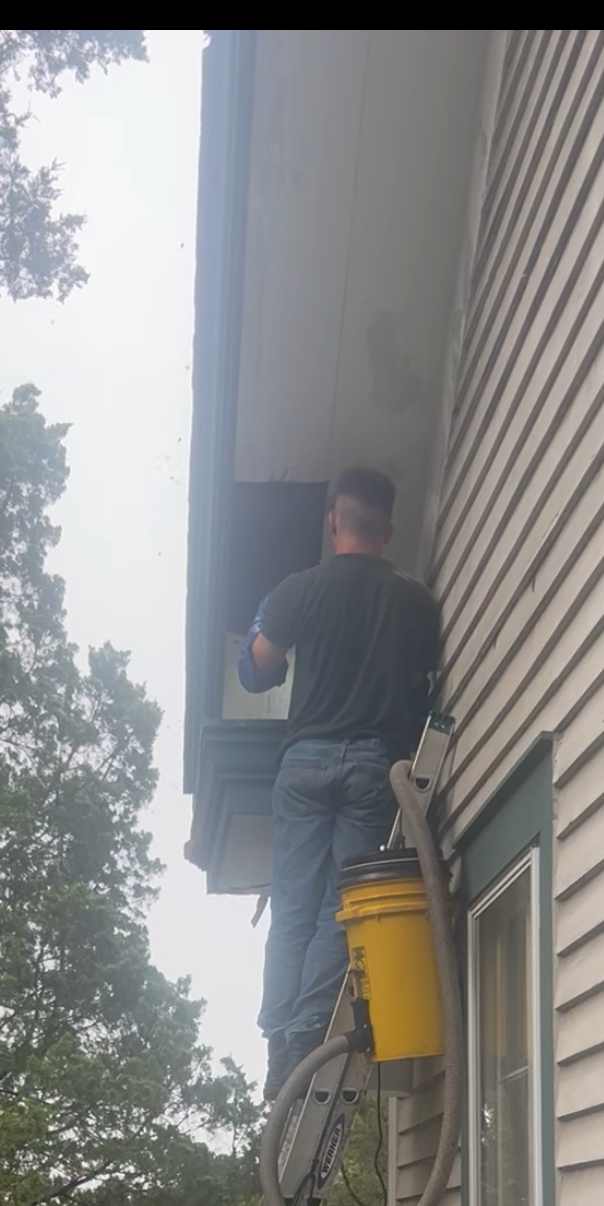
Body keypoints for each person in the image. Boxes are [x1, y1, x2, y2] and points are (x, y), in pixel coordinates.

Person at [238, 467, 440, 1100]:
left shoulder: (298, 591)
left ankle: (279, 1041)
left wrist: (260, 627)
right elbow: (421, 681)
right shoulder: (415, 600)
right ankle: (303, 1036)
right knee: (338, 908)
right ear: (387, 528)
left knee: (294, 904)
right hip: (371, 764)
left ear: (333, 522)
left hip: (303, 764)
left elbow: (256, 670)